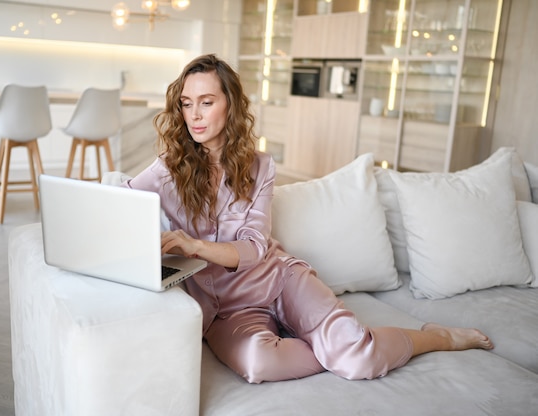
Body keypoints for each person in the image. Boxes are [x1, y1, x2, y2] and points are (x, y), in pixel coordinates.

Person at [119, 53, 493, 383]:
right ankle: (342, 345)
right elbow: (121, 203)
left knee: (357, 360)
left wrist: (195, 246)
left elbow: (252, 248)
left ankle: (437, 337)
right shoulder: (168, 169)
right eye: (186, 104)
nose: (194, 115)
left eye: (206, 102)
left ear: (229, 105)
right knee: (259, 365)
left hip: (279, 280)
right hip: (226, 310)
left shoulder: (260, 166)